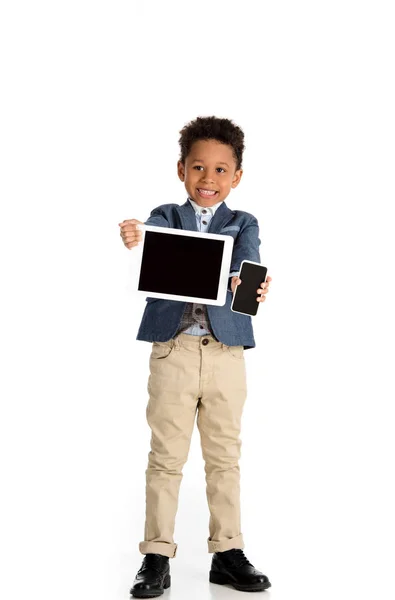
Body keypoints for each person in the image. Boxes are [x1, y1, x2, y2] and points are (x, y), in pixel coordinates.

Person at [119, 116, 272, 597]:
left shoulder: (243, 222)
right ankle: (156, 556)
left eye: (222, 170)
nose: (209, 179)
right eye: (199, 168)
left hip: (227, 353)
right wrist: (136, 235)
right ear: (182, 170)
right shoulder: (166, 215)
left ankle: (228, 552)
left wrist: (250, 287)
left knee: (225, 456)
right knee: (165, 458)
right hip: (175, 350)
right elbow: (152, 242)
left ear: (237, 176)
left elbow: (248, 270)